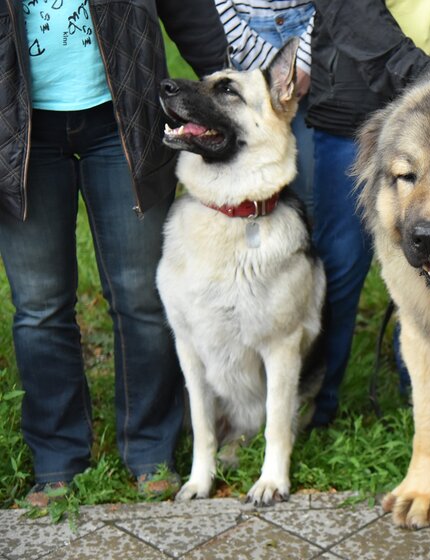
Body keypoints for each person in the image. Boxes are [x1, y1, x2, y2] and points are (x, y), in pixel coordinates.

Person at [0, 1, 226, 504]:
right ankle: (57, 458)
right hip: (20, 130)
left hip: (123, 118)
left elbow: (186, 10)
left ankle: (150, 448)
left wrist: (230, 77)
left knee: (142, 297)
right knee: (39, 306)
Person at [305, 0, 430, 427]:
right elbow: (350, 12)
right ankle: (314, 405)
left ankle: (427, 409)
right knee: (342, 263)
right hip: (361, 111)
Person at [214, 0, 316, 218]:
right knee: (247, 196)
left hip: (314, 27)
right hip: (237, 30)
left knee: (311, 193)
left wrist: (307, 59)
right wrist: (275, 79)